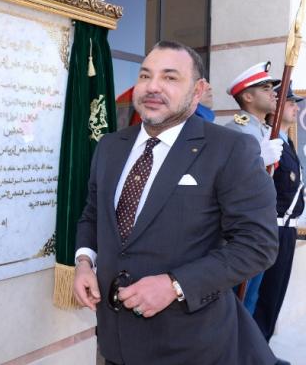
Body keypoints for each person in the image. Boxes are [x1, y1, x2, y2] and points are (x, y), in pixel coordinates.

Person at [73, 41, 279, 365]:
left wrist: (175, 285)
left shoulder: (229, 149)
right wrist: (84, 262)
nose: (152, 86)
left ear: (198, 91)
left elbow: (258, 244)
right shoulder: (110, 146)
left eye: (170, 77)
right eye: (145, 75)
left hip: (191, 345)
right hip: (114, 343)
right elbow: (93, 214)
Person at [224, 62, 284, 314]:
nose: (274, 94)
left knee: (250, 300)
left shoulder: (264, 130)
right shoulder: (236, 130)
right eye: (266, 88)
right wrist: (258, 158)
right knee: (235, 304)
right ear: (248, 97)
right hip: (242, 229)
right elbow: (227, 179)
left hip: (261, 225)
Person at [253, 84, 304, 343]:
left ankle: (262, 347)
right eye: (290, 102)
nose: (296, 107)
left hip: (287, 229)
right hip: (271, 228)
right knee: (263, 296)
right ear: (276, 108)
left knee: (275, 296)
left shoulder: (287, 141)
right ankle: (254, 350)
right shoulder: (267, 141)